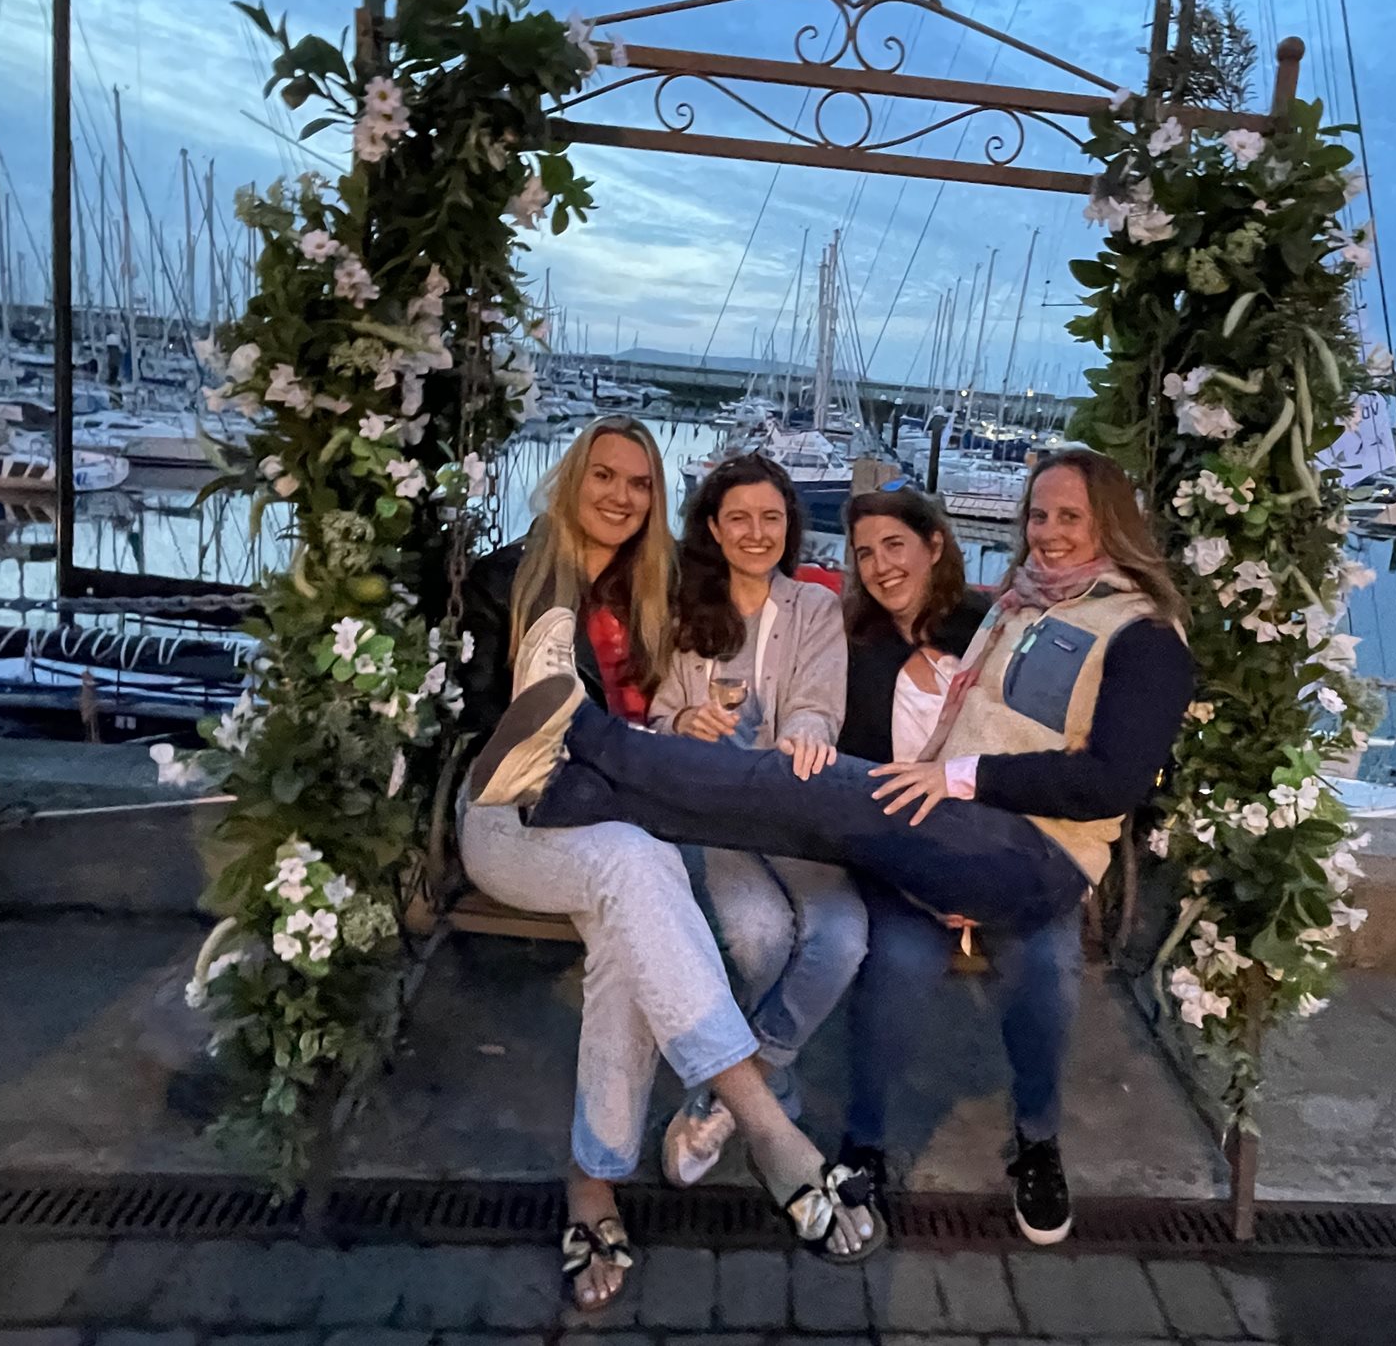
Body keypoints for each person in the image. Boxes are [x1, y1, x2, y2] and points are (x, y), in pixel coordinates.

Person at [469, 444, 1194, 997]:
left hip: (1030, 856)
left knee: (814, 794)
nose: (1048, 532)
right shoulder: (1022, 609)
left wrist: (957, 776)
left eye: (1070, 517)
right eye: (1038, 516)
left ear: (1110, 522)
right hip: (970, 831)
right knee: (794, 824)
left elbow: (1111, 783)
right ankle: (570, 787)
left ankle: (576, 736)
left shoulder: (1140, 630)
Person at [454, 418, 881, 1309]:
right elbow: (496, 727)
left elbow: (687, 708)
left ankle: (593, 1184)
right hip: (515, 814)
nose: (620, 495)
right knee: (639, 871)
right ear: (572, 478)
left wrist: (677, 733)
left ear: (655, 500)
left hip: (627, 825)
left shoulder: (656, 590)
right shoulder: (509, 580)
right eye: (603, 475)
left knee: (633, 911)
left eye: (639, 482)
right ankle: (767, 1126)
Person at [832, 487, 1085, 1246]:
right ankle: (864, 1140)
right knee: (899, 963)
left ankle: (1037, 1139)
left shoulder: (998, 629)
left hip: (1011, 852)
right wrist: (919, 877)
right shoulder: (855, 649)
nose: (881, 566)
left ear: (934, 545)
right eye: (865, 553)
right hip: (903, 860)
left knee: (1048, 968)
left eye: (895, 545)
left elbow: (1048, 748)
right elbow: (853, 784)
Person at [648, 454, 864, 1188]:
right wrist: (686, 719)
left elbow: (819, 705)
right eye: (738, 517)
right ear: (713, 527)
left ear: (789, 526)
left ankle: (735, 1091)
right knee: (759, 935)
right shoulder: (684, 609)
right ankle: (773, 1101)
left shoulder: (814, 609)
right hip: (714, 813)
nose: (756, 532)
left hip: (792, 808)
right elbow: (659, 716)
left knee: (842, 937)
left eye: (771, 517)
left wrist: (805, 733)